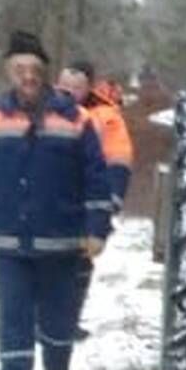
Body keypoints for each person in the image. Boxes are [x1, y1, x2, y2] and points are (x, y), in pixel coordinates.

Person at [0, 34, 111, 370]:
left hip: (62, 242)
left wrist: (96, 229)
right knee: (13, 316)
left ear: (45, 73)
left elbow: (96, 178)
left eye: (34, 70)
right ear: (9, 72)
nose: (27, 76)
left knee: (58, 320)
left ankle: (58, 369)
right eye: (19, 69)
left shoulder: (75, 119)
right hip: (9, 241)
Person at [59, 57, 133, 335]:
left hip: (84, 202)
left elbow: (118, 161)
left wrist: (108, 205)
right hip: (47, 199)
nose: (66, 92)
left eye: (74, 87)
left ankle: (67, 321)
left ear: (88, 88)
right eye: (63, 85)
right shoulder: (41, 109)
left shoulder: (107, 119)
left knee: (78, 262)